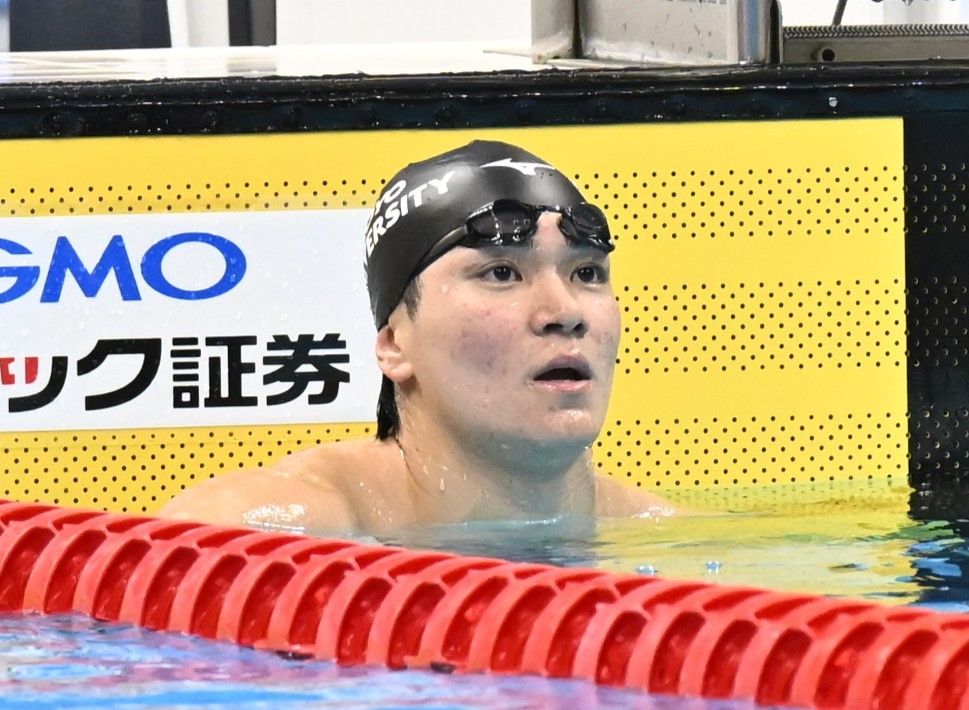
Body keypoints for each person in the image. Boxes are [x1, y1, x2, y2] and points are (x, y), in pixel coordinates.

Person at [160, 140, 673, 534]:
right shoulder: (263, 531)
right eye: (500, 273)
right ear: (394, 345)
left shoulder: (665, 537)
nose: (565, 313)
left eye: (587, 274)